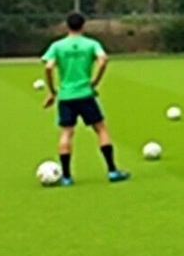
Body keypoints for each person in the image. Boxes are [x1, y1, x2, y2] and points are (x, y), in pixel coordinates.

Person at [41, 12, 129, 185]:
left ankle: (66, 177)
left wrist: (52, 91)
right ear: (83, 26)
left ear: (67, 26)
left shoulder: (57, 46)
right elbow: (103, 60)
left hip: (66, 96)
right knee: (101, 129)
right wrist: (94, 82)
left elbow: (49, 67)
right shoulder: (91, 44)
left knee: (66, 133)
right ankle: (112, 171)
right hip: (85, 94)